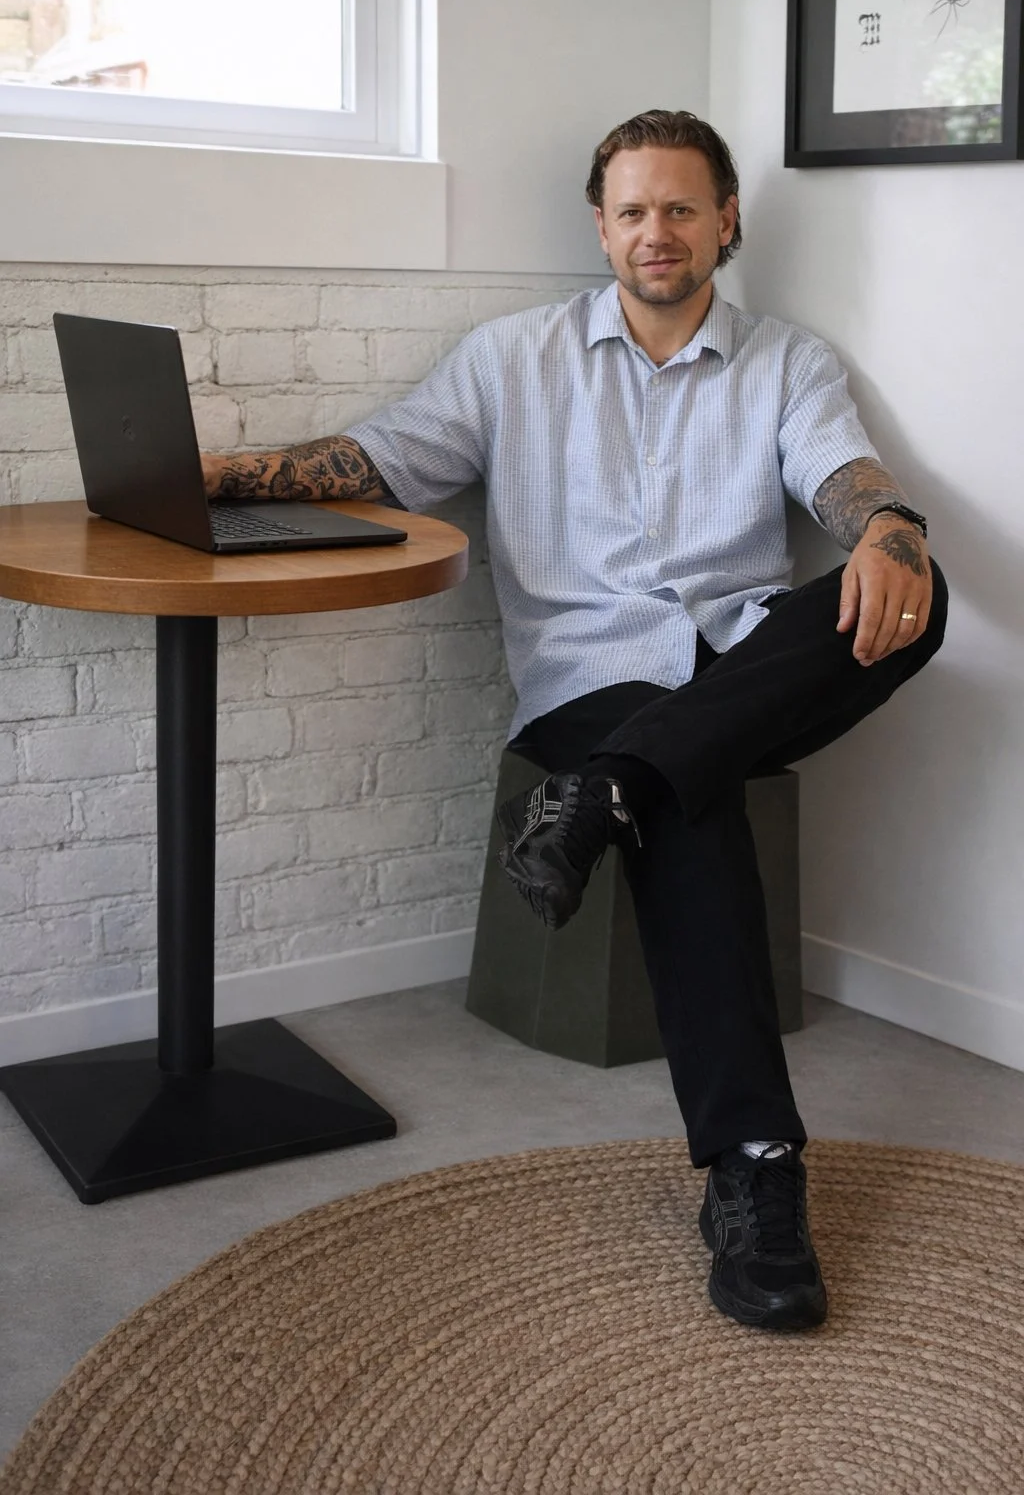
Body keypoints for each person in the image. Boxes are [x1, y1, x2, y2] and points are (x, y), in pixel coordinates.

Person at [202, 109, 947, 1333]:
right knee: (685, 791)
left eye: (682, 208)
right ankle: (755, 1166)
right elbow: (380, 462)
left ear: (726, 221)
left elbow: (840, 474)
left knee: (920, 587)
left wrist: (888, 529)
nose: (658, 232)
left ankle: (609, 792)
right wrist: (214, 475)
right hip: (589, 678)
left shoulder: (787, 363)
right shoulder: (511, 358)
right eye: (633, 210)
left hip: (738, 659)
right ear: (600, 226)